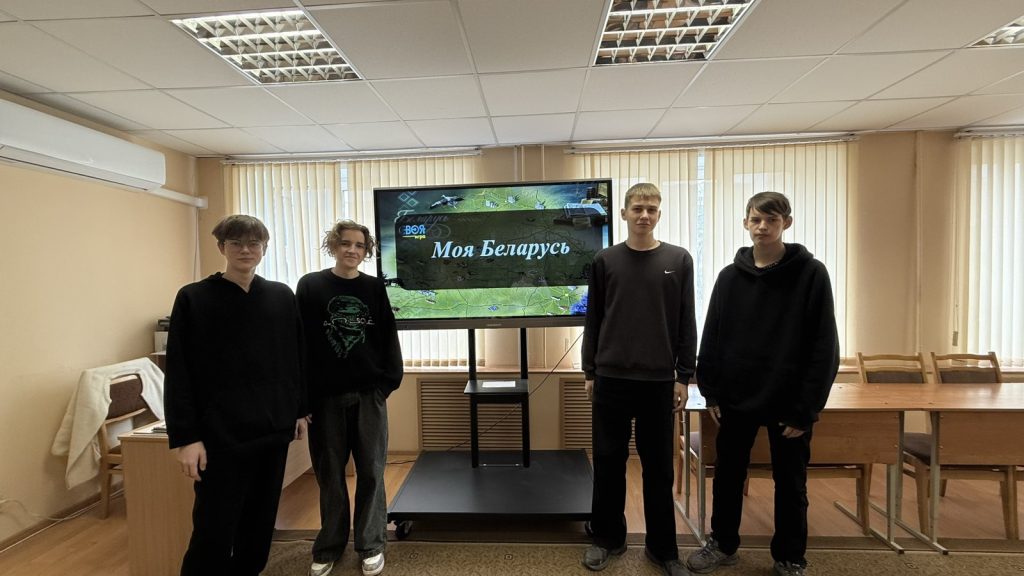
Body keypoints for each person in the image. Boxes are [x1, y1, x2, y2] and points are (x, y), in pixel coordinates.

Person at [685, 191, 839, 576]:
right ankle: (723, 544)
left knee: (791, 484)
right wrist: (711, 392)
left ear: (787, 223)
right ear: (746, 223)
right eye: (756, 219)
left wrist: (806, 409)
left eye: (772, 220)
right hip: (735, 399)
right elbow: (712, 336)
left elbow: (824, 346)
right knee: (727, 477)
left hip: (789, 403)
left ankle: (790, 557)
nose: (763, 227)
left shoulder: (811, 274)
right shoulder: (729, 277)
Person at [164, 215, 307, 576]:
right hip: (220, 437)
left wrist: (299, 411)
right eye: (236, 243)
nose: (246, 250)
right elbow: (179, 371)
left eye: (253, 243)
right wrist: (186, 438)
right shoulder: (194, 298)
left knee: (258, 527)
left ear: (264, 248)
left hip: (272, 432)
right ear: (221, 247)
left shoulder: (281, 296)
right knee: (213, 530)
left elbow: (294, 359)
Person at [581, 183, 697, 576]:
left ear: (659, 214)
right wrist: (589, 371)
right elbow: (594, 320)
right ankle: (607, 540)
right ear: (624, 214)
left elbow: (686, 321)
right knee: (608, 463)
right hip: (611, 378)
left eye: (651, 209)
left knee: (660, 468)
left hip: (659, 382)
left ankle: (663, 550)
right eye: (637, 208)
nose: (644, 215)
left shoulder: (678, 260)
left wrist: (684, 376)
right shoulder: (605, 260)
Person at [297, 220, 403, 576]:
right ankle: (329, 546)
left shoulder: (373, 287)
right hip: (324, 399)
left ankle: (371, 544)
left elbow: (388, 337)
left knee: (372, 472)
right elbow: (300, 344)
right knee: (330, 475)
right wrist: (303, 400)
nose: (352, 250)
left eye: (359, 245)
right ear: (334, 246)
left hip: (369, 396)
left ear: (366, 251)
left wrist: (386, 385)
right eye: (345, 243)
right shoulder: (310, 286)